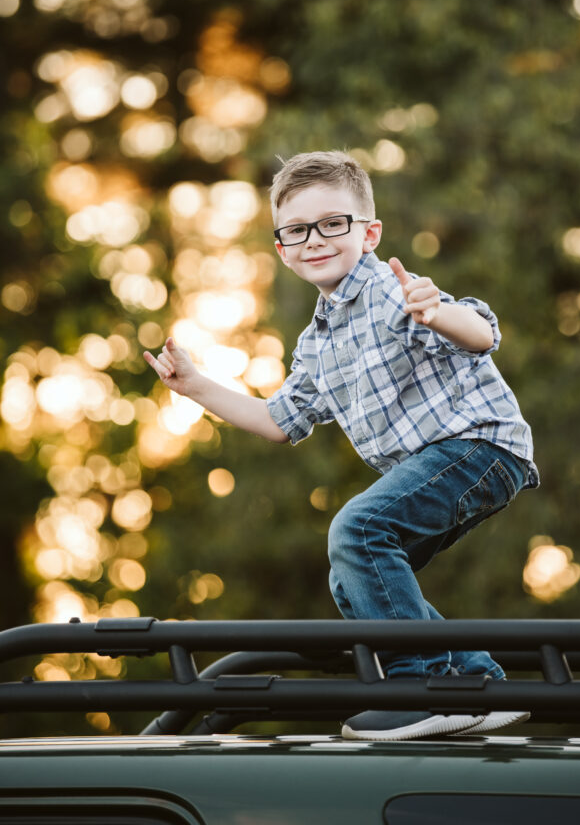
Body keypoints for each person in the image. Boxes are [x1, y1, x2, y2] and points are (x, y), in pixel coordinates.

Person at [144, 150, 540, 740]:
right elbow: (280, 421)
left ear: (369, 232)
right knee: (352, 575)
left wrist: (438, 314)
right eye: (297, 231)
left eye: (333, 224)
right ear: (281, 247)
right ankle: (470, 682)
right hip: (442, 465)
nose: (316, 241)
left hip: (479, 445)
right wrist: (197, 386)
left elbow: (482, 333)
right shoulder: (317, 341)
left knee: (359, 530)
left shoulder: (390, 291)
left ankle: (420, 685)